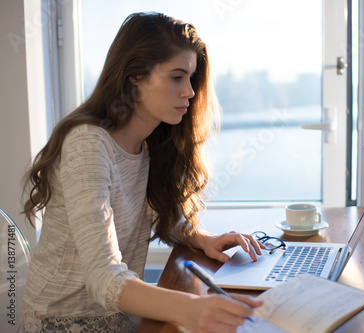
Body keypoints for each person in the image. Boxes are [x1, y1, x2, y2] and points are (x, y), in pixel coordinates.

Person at [21, 12, 265, 333]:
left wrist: (203, 239)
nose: (190, 92)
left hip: (122, 320)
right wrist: (191, 309)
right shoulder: (88, 145)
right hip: (60, 324)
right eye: (177, 77)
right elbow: (103, 277)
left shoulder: (150, 142)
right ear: (135, 76)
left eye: (191, 78)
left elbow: (159, 213)